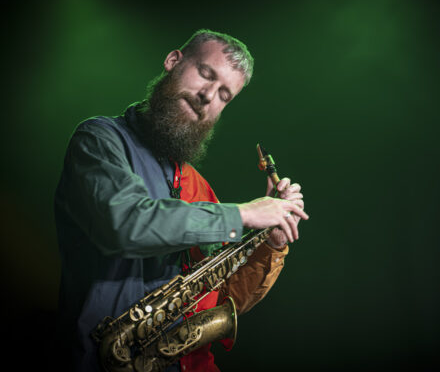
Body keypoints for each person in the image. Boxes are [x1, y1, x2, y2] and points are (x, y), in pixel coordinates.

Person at [54, 29, 308, 372]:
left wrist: (271, 243)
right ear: (174, 61)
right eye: (205, 74)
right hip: (100, 360)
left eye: (224, 95)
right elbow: (127, 223)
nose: (208, 96)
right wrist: (244, 214)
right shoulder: (100, 139)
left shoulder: (197, 187)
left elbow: (223, 294)